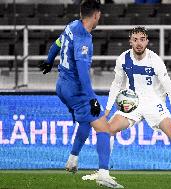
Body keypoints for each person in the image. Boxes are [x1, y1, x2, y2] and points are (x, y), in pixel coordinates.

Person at [84, 26, 171, 182]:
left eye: (142, 39)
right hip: (131, 103)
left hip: (153, 103)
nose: (139, 43)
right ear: (130, 41)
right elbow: (116, 84)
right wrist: (107, 109)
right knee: (108, 130)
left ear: (147, 41)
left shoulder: (155, 61)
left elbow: (170, 90)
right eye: (135, 39)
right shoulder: (123, 58)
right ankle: (103, 171)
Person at [39, 0, 123, 188]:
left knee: (85, 120)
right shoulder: (84, 38)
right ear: (97, 15)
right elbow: (83, 71)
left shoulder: (71, 26)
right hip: (76, 89)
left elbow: (57, 43)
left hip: (61, 86)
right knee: (105, 129)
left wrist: (48, 61)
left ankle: (72, 160)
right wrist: (92, 98)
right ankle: (103, 173)